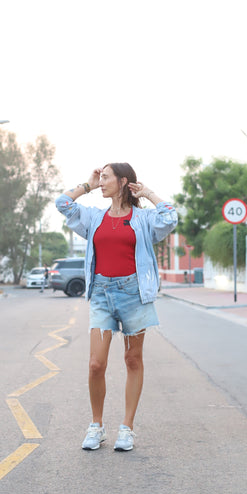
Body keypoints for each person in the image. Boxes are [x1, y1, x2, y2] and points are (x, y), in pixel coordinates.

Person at [56, 163, 178, 451]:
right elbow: (62, 203)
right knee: (96, 364)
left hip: (133, 294)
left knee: (132, 360)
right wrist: (87, 184)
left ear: (123, 181)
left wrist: (147, 193)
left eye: (106, 178)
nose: (101, 183)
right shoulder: (93, 218)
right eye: (100, 178)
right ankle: (96, 426)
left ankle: (127, 428)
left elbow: (170, 216)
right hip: (101, 293)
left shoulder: (144, 219)